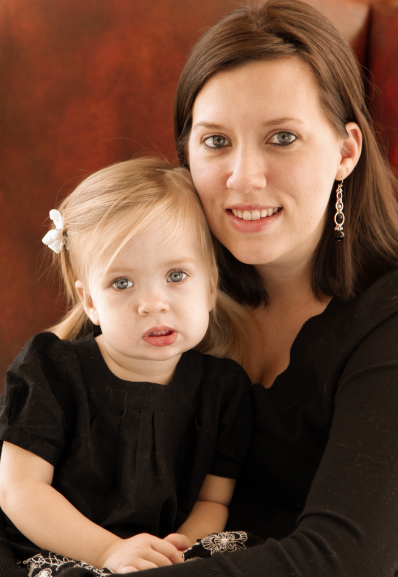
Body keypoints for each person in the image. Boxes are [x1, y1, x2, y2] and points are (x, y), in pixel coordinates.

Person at [123, 0, 398, 576]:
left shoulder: (387, 317)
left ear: (346, 151)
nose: (243, 177)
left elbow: (348, 559)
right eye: (216, 142)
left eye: (282, 138)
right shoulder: (166, 290)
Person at [0, 158, 253, 576]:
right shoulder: (52, 371)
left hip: (162, 558)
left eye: (176, 275)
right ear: (90, 301)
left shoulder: (223, 390)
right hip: (61, 550)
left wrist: (180, 548)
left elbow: (214, 501)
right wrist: (107, 553)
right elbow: (19, 490)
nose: (153, 302)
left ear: (210, 285)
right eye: (122, 283)